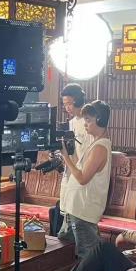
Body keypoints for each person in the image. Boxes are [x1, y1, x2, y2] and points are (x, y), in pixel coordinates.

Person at [58, 100, 112, 261]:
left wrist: (66, 157)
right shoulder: (94, 143)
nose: (85, 124)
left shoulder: (100, 147)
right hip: (75, 208)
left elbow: (82, 178)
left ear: (100, 120)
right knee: (62, 252)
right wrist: (68, 154)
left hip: (83, 211)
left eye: (88, 119)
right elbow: (79, 169)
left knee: (88, 259)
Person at [53, 84, 93, 235]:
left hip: (83, 173)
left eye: (69, 103)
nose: (67, 108)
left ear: (78, 100)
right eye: (65, 104)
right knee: (66, 218)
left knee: (77, 223)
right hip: (69, 173)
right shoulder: (70, 123)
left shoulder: (89, 123)